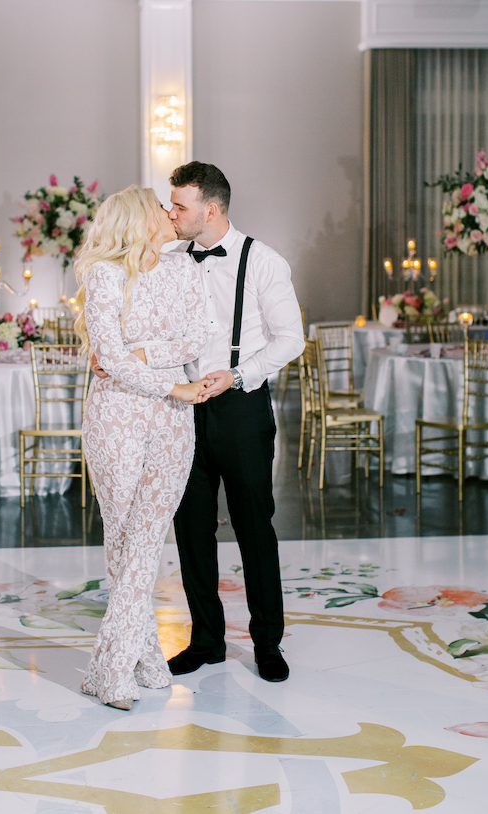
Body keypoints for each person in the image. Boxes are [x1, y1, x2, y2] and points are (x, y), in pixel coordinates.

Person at [166, 161, 305, 683]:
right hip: (182, 409)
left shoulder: (265, 262)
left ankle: (267, 643)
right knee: (191, 530)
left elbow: (291, 339)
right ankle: (206, 641)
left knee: (254, 528)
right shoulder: (168, 259)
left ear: (212, 209)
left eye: (180, 205)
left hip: (241, 408)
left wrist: (239, 375)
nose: (171, 213)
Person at [74, 185, 209, 710]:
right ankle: (140, 660)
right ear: (139, 219)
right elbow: (108, 355)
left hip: (174, 423)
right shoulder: (105, 272)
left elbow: (197, 336)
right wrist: (171, 383)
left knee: (147, 540)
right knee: (125, 539)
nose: (168, 212)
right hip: (117, 418)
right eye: (160, 205)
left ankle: (114, 667)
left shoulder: (184, 270)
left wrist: (146, 352)